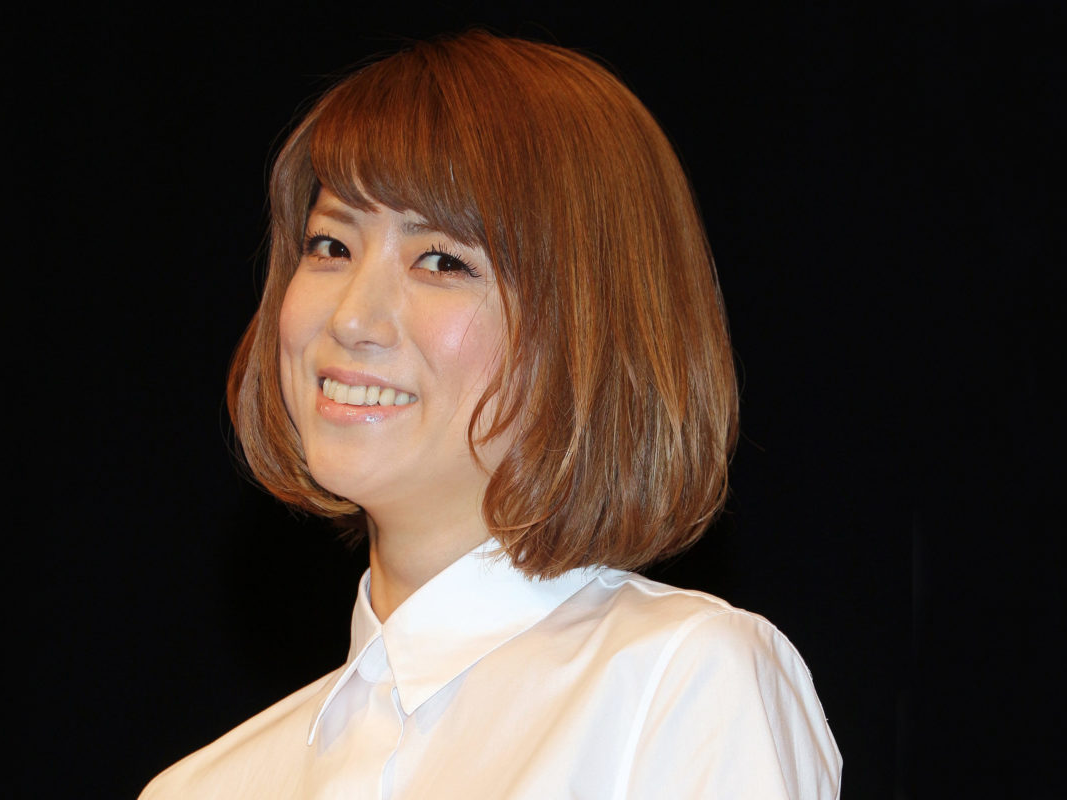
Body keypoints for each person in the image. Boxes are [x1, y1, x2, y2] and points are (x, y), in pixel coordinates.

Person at [141, 31, 841, 799]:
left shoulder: (677, 686)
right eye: (331, 245)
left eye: (441, 261)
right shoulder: (201, 787)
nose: (351, 318)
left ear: (586, 328)